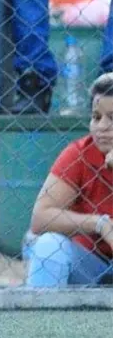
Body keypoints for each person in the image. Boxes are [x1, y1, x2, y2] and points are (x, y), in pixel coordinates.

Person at [26, 73, 113, 287]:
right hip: (95, 265)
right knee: (48, 246)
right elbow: (40, 218)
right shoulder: (80, 153)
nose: (102, 126)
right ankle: (39, 320)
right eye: (96, 117)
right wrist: (99, 223)